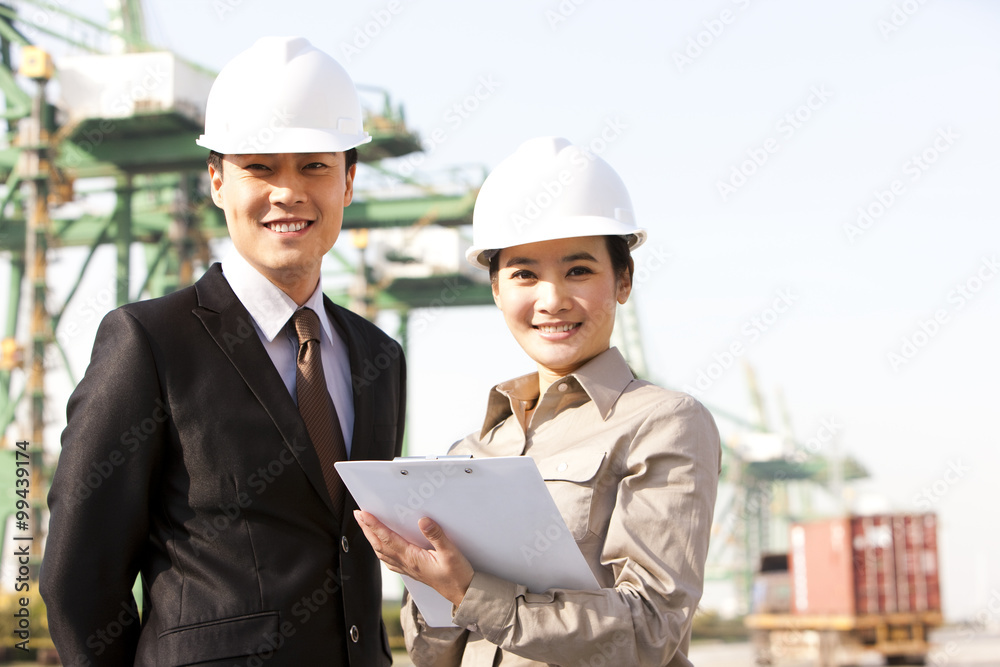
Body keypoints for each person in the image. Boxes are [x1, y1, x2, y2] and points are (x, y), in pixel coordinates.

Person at [40, 37, 404, 666]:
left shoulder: (379, 356)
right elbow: (77, 579)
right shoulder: (149, 342)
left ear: (348, 182)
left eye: (313, 166)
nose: (287, 192)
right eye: (260, 168)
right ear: (216, 181)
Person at [355, 136, 721, 666]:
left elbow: (650, 629)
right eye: (525, 273)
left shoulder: (665, 424)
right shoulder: (473, 449)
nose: (551, 300)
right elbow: (434, 656)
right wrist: (422, 579)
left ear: (624, 278)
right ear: (496, 288)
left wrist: (470, 594)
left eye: (578, 271)